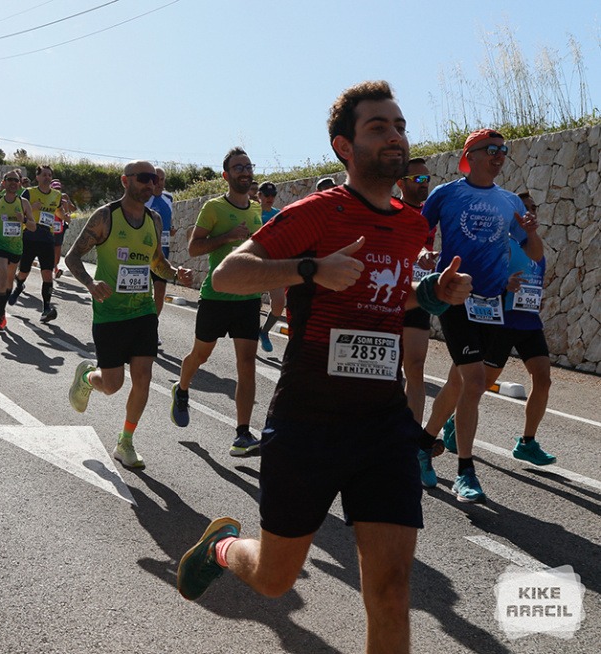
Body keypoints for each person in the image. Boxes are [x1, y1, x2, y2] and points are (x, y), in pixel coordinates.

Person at [175, 81, 472, 654]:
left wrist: (434, 292)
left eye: (399, 125)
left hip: (382, 426)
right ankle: (220, 546)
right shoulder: (318, 212)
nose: (395, 136)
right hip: (310, 420)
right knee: (273, 579)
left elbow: (391, 297)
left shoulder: (412, 225)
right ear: (345, 147)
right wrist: (310, 269)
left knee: (390, 591)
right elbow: (226, 276)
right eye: (378, 127)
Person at [421, 128, 543, 503]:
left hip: (492, 305)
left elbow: (534, 253)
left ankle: (423, 443)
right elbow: (417, 236)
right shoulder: (446, 194)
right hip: (456, 296)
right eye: (491, 149)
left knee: (459, 383)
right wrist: (423, 256)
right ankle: (465, 472)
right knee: (474, 381)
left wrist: (532, 233)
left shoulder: (510, 203)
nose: (499, 155)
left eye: (503, 150)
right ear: (469, 155)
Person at [66, 160, 193, 469]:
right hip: (110, 313)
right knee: (112, 385)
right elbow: (72, 257)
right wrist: (90, 283)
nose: (151, 184)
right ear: (125, 181)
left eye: (155, 179)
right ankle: (86, 376)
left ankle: (126, 441)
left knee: (143, 378)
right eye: (144, 178)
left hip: (143, 311)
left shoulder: (154, 219)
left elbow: (157, 262)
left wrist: (176, 274)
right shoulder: (105, 217)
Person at [171, 147, 265, 457]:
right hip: (216, 296)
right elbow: (194, 248)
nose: (245, 171)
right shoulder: (213, 207)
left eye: (248, 166)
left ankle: (242, 434)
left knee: (247, 365)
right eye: (238, 167)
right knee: (201, 355)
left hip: (248, 297)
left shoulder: (255, 209)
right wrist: (227, 237)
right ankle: (182, 389)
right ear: (226, 175)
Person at [481, 192, 556, 465]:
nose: (531, 212)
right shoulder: (504, 243)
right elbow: (484, 275)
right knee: (483, 382)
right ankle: (455, 420)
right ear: (514, 213)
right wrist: (504, 284)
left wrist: (536, 296)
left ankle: (527, 442)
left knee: (543, 379)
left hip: (528, 321)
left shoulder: (536, 245)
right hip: (502, 320)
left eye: (535, 207)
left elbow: (534, 277)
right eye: (526, 208)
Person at [393, 159, 440, 485]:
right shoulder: (392, 208)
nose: (424, 182)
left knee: (416, 366)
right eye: (418, 177)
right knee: (388, 368)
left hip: (418, 296)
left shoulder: (430, 213)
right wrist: (414, 255)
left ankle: (413, 450)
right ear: (401, 182)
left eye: (427, 177)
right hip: (390, 295)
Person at [8, 165, 64, 323]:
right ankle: (19, 285)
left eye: (50, 175)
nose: (47, 177)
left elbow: (58, 211)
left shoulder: (57, 195)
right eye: (44, 175)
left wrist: (64, 215)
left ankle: (46, 309)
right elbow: (17, 211)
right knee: (24, 271)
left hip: (47, 238)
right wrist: (32, 208)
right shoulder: (29, 192)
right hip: (30, 236)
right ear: (37, 177)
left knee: (47, 274)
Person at [0, 171, 36, 331]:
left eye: (16, 180)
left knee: (9, 283)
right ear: (4, 183)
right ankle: (0, 316)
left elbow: (33, 227)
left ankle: (2, 311)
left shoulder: (24, 203)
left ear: (19, 184)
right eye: (9, 180)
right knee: (3, 278)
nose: (12, 182)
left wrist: (24, 220)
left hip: (16, 247)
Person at [145, 166, 177, 319]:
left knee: (160, 292)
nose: (160, 183)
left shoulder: (168, 198)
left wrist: (171, 227)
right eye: (156, 179)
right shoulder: (144, 198)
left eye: (163, 179)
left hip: (162, 253)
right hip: (144, 253)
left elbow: (168, 216)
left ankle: (152, 327)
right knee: (142, 293)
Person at [257, 181, 283, 353]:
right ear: (259, 196)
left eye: (273, 195)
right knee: (254, 305)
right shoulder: (251, 213)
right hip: (254, 266)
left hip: (274, 266)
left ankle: (264, 332)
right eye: (266, 195)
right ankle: (250, 335)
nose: (270, 198)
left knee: (279, 304)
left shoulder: (280, 214)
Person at [50, 179, 77, 278]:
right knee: (50, 248)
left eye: (58, 189)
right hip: (49, 226)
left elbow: (73, 209)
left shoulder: (64, 196)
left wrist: (67, 204)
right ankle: (52, 268)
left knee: (58, 249)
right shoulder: (48, 197)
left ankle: (55, 267)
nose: (57, 190)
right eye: (55, 189)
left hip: (60, 226)